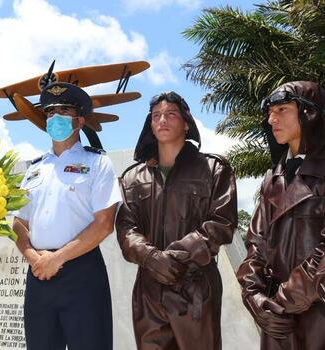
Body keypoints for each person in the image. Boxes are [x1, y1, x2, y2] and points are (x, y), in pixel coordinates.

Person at [115, 91, 237, 349]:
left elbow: (221, 223)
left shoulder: (214, 169)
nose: (162, 120)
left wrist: (174, 257)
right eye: (156, 116)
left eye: (171, 114)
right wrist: (151, 258)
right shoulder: (132, 177)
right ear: (150, 124)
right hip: (149, 290)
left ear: (187, 123)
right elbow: (126, 227)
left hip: (195, 288)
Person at [13, 82, 121, 350]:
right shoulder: (34, 169)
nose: (55, 118)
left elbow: (104, 224)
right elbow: (18, 223)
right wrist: (33, 257)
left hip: (81, 272)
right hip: (38, 272)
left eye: (63, 111)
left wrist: (58, 258)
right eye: (50, 113)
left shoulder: (97, 163)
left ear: (80, 120)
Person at [237, 81, 325, 350]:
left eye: (283, 109)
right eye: (270, 112)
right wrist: (256, 300)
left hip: (318, 317)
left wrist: (282, 302)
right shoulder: (272, 177)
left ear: (310, 114)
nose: (272, 119)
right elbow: (256, 244)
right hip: (275, 322)